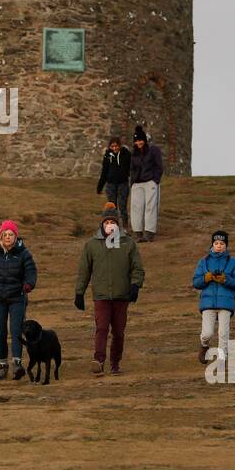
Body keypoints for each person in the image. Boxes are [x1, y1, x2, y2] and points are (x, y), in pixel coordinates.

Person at [74, 206, 145, 376]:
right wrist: (79, 293)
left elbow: (137, 268)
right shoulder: (91, 245)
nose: (110, 225)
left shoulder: (128, 244)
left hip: (122, 296)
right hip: (101, 296)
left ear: (118, 224)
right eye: (107, 222)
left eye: (113, 222)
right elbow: (84, 270)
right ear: (102, 225)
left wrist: (135, 285)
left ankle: (115, 363)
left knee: (119, 332)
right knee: (102, 328)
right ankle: (98, 361)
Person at [0, 219, 38, 380]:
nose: (8, 237)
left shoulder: (24, 254)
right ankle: (2, 365)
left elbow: (31, 271)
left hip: (17, 298)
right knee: (1, 332)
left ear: (16, 237)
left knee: (16, 331)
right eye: (5, 234)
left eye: (11, 234)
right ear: (0, 236)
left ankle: (17, 364)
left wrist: (28, 284)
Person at [192, 230, 235, 365]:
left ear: (226, 245)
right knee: (207, 334)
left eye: (222, 243)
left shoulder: (234, 262)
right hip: (207, 303)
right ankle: (204, 345)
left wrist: (225, 279)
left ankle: (222, 358)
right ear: (212, 244)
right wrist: (206, 278)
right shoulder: (203, 262)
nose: (219, 245)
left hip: (226, 303)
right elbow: (196, 282)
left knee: (223, 333)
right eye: (216, 243)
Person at [128, 124, 164, 241]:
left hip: (150, 182)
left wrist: (155, 180)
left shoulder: (154, 150)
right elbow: (132, 168)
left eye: (140, 140)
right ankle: (137, 232)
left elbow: (159, 166)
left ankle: (149, 233)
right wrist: (133, 181)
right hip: (137, 183)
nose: (139, 143)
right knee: (136, 207)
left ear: (144, 140)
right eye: (137, 141)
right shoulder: (134, 154)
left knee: (151, 206)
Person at [96, 136, 131, 223]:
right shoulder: (107, 156)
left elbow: (131, 168)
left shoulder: (126, 154)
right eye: (112, 146)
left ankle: (125, 227)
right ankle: (112, 225)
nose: (115, 148)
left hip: (123, 184)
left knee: (122, 206)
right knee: (112, 207)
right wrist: (100, 187)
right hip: (111, 184)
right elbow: (104, 171)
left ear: (119, 145)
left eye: (116, 146)